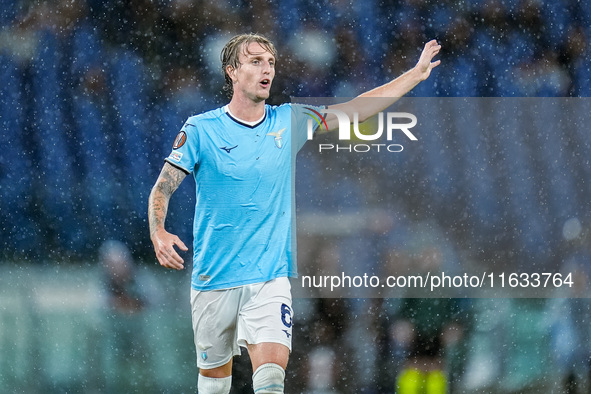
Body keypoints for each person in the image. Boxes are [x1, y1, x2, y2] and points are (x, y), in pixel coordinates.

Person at [147, 32, 441, 394]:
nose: (266, 68)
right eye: (255, 61)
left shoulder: (290, 121)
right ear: (232, 72)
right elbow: (163, 186)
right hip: (215, 276)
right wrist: (158, 230)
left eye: (270, 62)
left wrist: (412, 75)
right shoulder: (201, 129)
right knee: (214, 384)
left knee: (271, 377)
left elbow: (355, 108)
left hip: (269, 279)